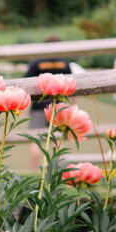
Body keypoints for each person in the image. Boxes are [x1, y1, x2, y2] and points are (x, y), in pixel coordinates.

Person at [25, 36, 74, 168]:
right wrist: (73, 104)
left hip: (39, 106)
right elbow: (70, 84)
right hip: (59, 105)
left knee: (36, 139)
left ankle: (34, 171)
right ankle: (60, 169)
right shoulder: (64, 63)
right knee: (57, 139)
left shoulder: (37, 63)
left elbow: (26, 83)